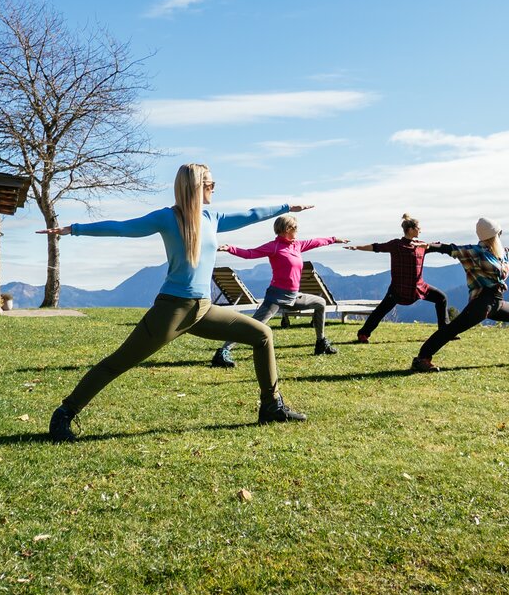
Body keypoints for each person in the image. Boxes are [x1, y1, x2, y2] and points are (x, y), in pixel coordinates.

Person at [40, 163, 311, 443]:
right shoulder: (167, 218)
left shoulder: (212, 217)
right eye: (209, 183)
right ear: (194, 186)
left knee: (262, 334)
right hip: (172, 310)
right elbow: (123, 228)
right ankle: (64, 413)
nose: (214, 187)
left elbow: (252, 214)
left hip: (203, 308)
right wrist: (75, 229)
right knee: (119, 362)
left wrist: (287, 206)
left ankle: (271, 406)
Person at [410, 217, 509, 371]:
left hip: (497, 302)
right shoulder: (475, 252)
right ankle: (422, 359)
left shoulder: (503, 253)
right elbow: (450, 248)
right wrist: (429, 246)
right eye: (499, 233)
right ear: (494, 235)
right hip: (481, 303)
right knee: (452, 329)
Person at [209, 214, 345, 367]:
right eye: (296, 229)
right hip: (276, 297)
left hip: (294, 297)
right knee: (252, 325)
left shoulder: (297, 245)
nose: (297, 232)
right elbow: (250, 253)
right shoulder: (273, 246)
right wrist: (230, 248)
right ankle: (222, 353)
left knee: (320, 303)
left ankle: (321, 344)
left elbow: (316, 242)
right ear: (288, 229)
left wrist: (333, 239)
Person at [345, 213, 450, 344]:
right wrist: (357, 247)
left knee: (441, 298)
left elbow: (437, 246)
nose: (421, 230)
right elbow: (376, 247)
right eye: (418, 228)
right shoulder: (396, 245)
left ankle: (445, 332)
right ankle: (363, 334)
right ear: (411, 229)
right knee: (380, 311)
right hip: (398, 289)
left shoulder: (421, 245)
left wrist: (452, 249)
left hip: (419, 287)